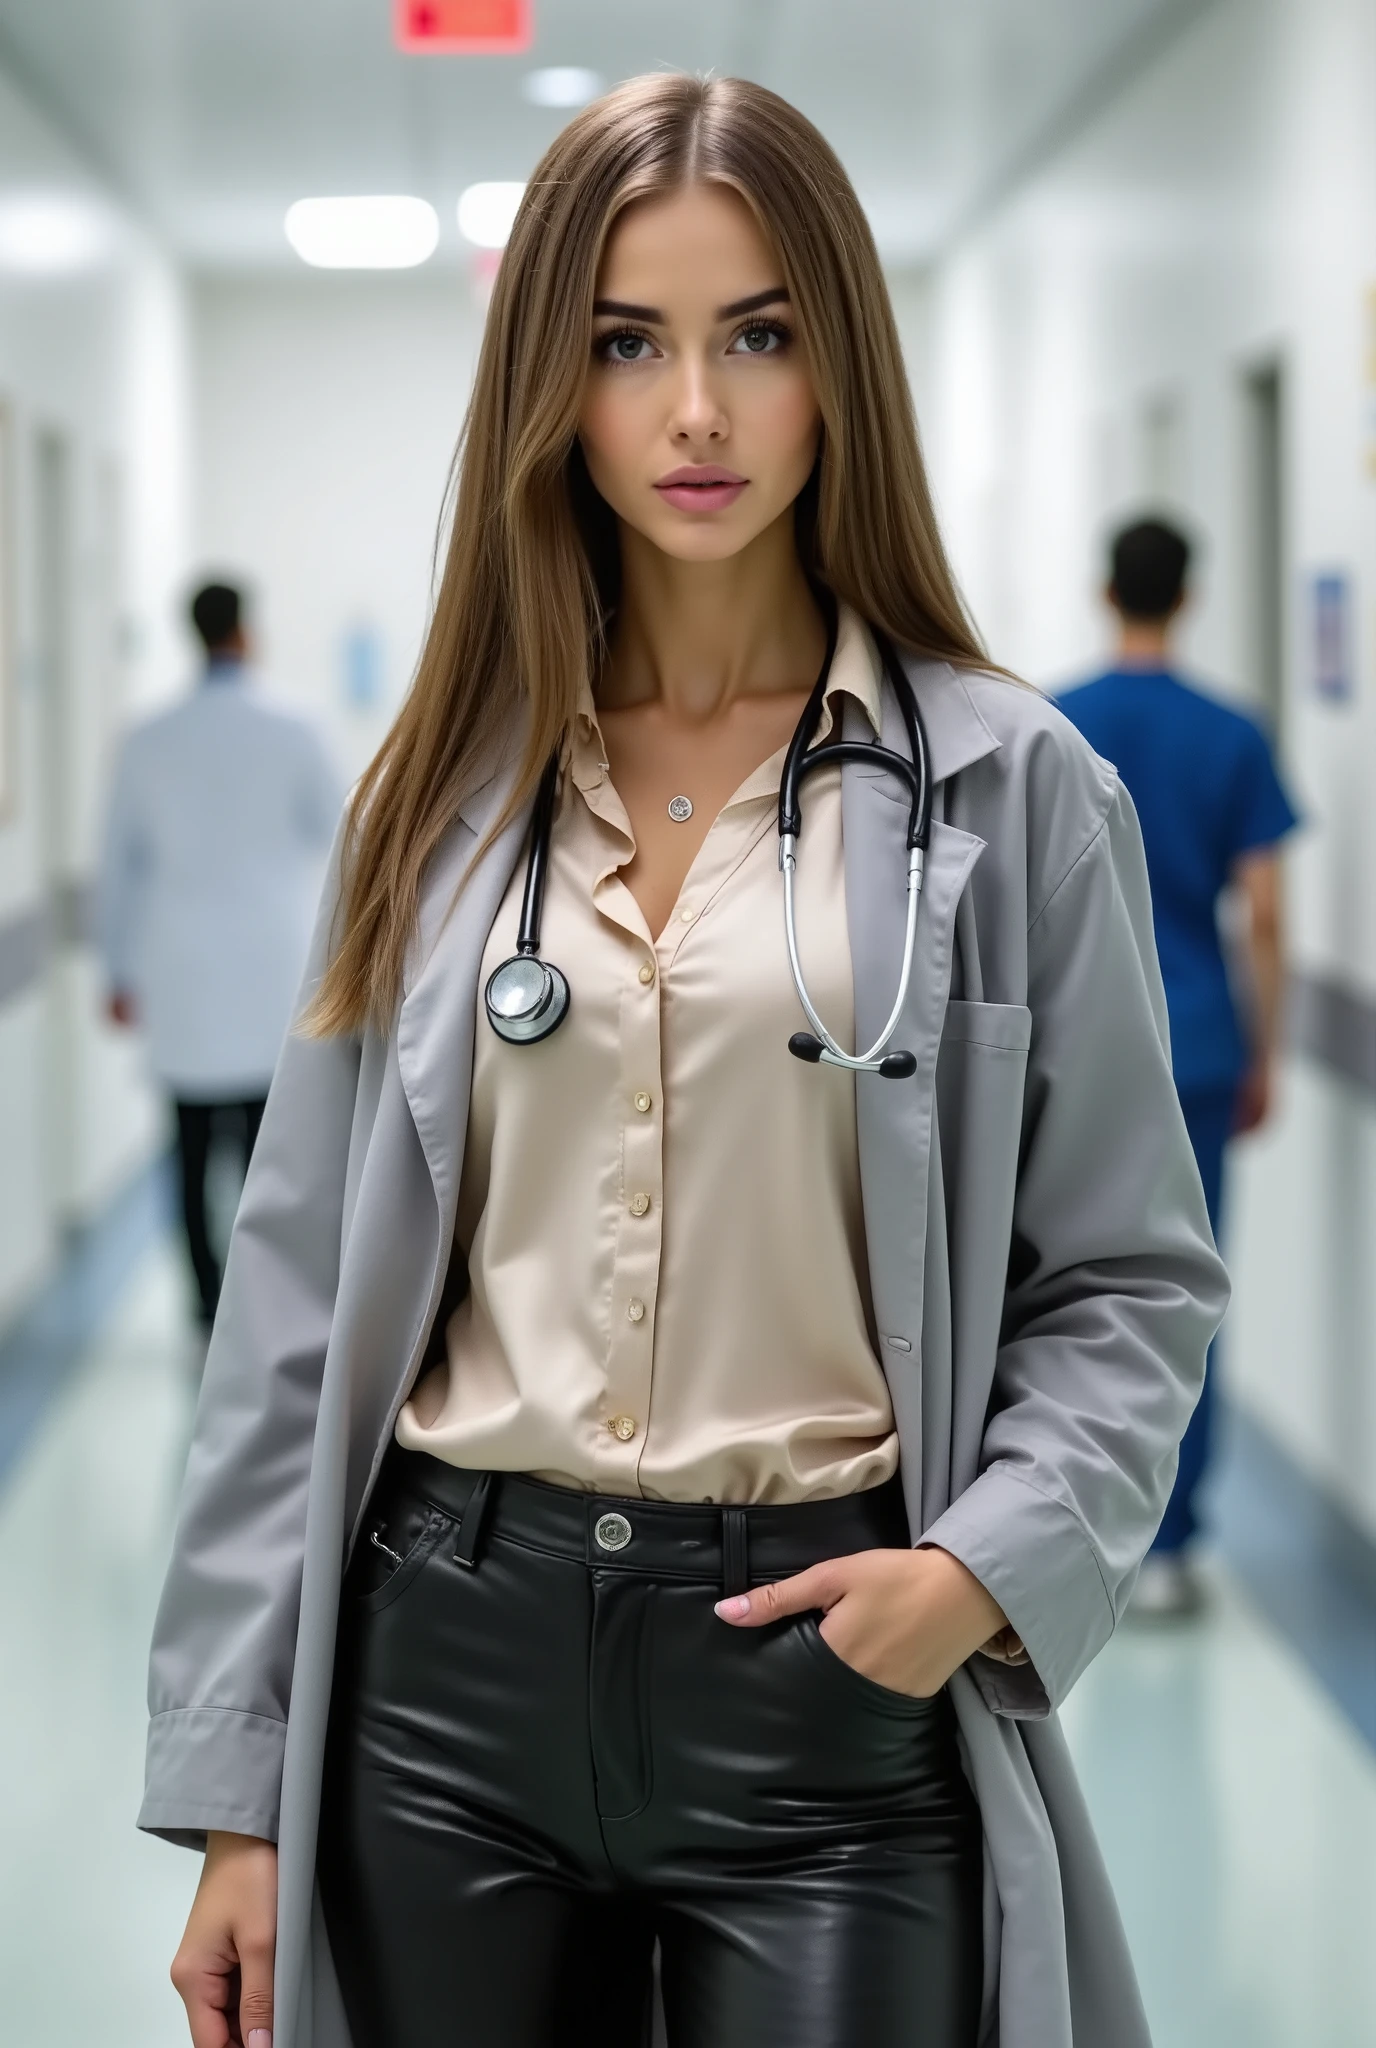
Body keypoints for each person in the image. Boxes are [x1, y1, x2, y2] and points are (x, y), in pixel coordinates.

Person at [142, 77, 1227, 2048]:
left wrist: (976, 1574)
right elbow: (292, 1311)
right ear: (553, 385)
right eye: (627, 344)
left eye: (759, 335)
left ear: (840, 371)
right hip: (441, 1675)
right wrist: (234, 1788)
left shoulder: (1010, 786)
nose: (696, 412)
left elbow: (1131, 1279)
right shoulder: (441, 800)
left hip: (825, 1671)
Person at [1055, 518, 1298, 1619]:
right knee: (1181, 1292)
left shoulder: (1057, 722)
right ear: (1186, 597)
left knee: (1064, 1288)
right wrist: (1263, 1049)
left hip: (1076, 1045)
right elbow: (1263, 910)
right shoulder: (1230, 733)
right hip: (1195, 1042)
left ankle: (1067, 1523)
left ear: (1105, 590)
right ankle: (1168, 1543)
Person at [99, 581, 343, 1331]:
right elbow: (338, 838)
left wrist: (117, 970)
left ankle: (206, 1302)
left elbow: (118, 865)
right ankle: (270, 1297)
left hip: (182, 971)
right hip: (272, 962)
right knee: (276, 1146)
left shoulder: (146, 738)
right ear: (246, 631)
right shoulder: (295, 727)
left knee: (191, 1144)